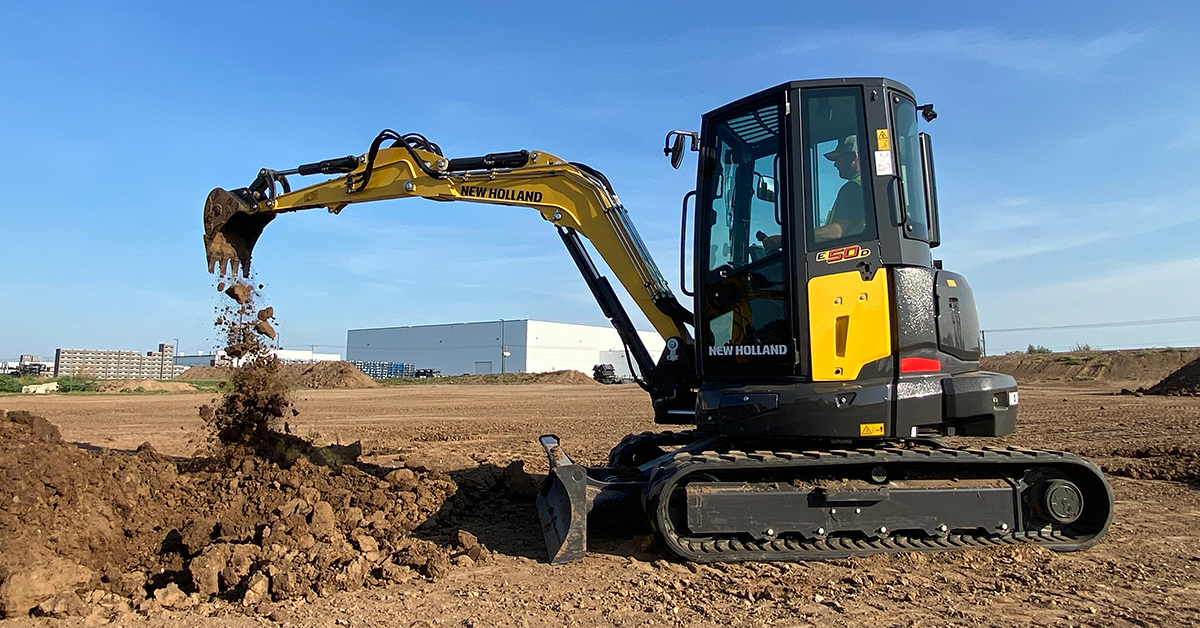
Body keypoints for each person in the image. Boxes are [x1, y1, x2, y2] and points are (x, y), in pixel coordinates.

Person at [814, 135, 866, 242]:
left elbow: (837, 231)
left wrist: (793, 239)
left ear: (852, 157)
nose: (835, 164)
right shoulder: (866, 186)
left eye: (838, 158)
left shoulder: (853, 188)